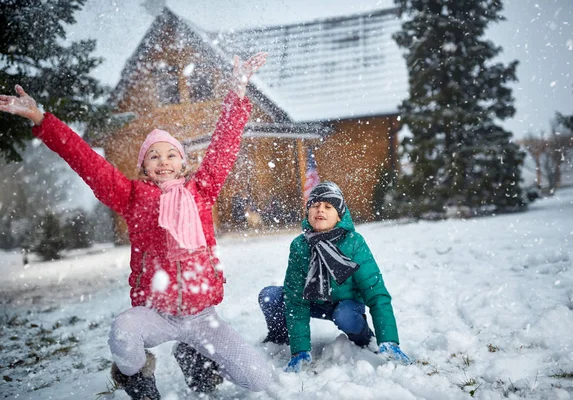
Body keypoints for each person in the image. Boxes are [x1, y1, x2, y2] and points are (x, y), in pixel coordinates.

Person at [0, 52, 272, 399]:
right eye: (154, 156)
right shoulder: (131, 197)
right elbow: (86, 160)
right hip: (156, 313)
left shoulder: (201, 191)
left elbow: (224, 146)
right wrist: (42, 119)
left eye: (171, 154)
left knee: (261, 380)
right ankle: (138, 380)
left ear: (183, 163)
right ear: (144, 166)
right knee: (123, 333)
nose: (163, 161)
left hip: (203, 316)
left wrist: (238, 91)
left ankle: (194, 354)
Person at [258, 181, 412, 372]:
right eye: (315, 205)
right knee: (271, 296)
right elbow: (295, 299)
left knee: (345, 314)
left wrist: (389, 339)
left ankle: (364, 337)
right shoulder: (300, 245)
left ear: (339, 215)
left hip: (345, 305)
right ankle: (281, 338)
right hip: (314, 301)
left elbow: (376, 293)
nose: (320, 210)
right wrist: (300, 350)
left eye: (328, 206)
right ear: (308, 213)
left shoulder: (354, 243)